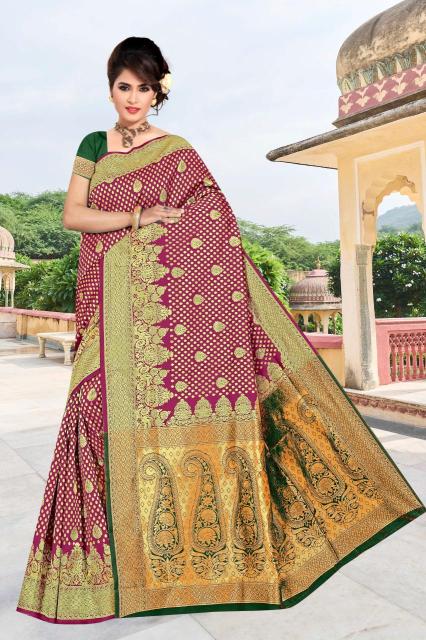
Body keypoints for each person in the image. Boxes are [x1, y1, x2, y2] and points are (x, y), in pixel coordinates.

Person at [16, 36, 426, 625]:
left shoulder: (177, 151)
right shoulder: (93, 146)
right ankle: (94, 575)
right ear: (111, 89)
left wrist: (166, 231)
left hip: (156, 316)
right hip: (104, 305)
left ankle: (170, 563)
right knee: (89, 412)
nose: (133, 98)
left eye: (144, 88)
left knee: (147, 430)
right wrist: (139, 217)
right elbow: (72, 215)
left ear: (159, 93)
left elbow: (214, 225)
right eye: (124, 86)